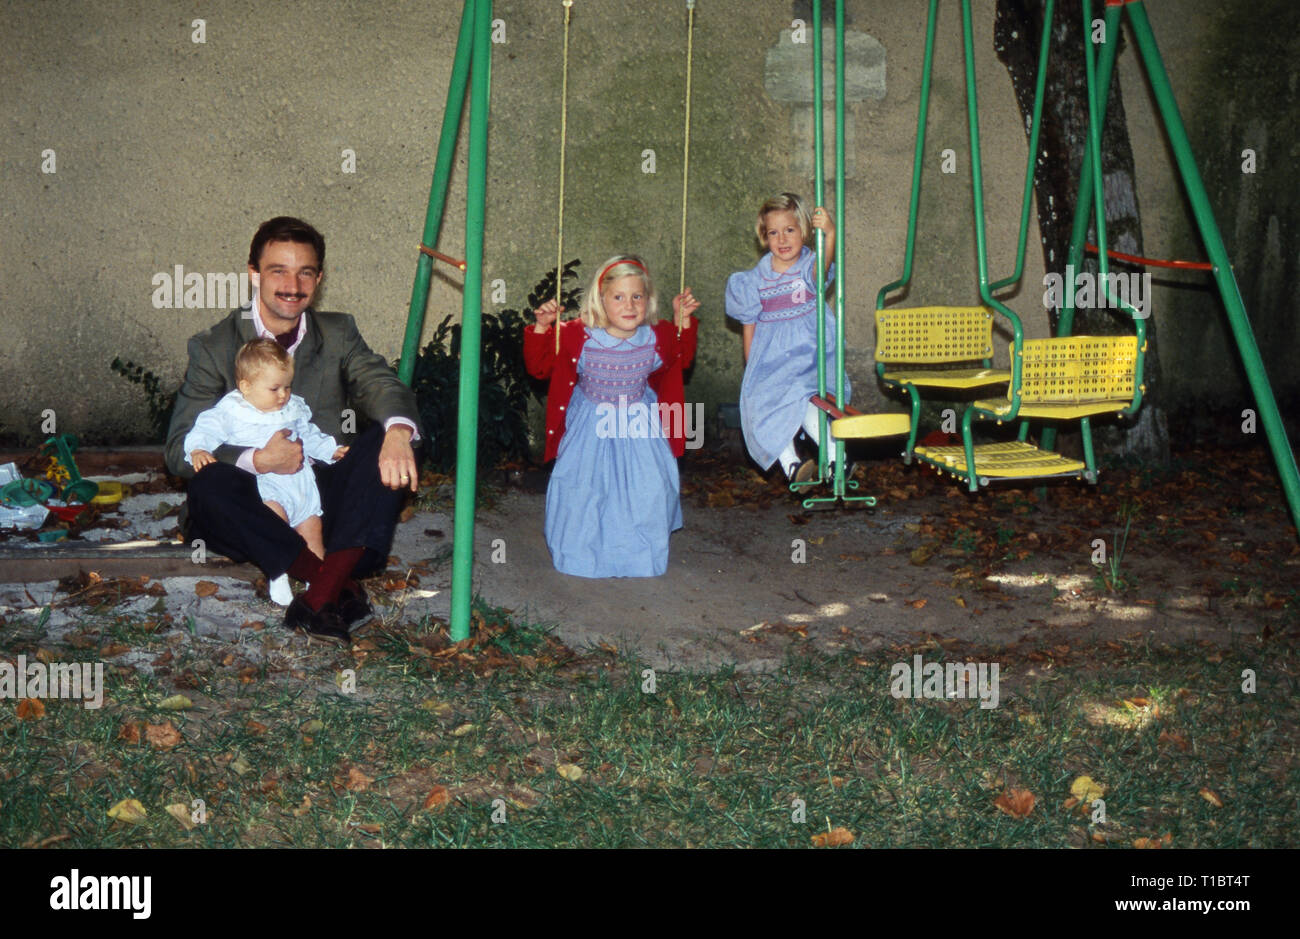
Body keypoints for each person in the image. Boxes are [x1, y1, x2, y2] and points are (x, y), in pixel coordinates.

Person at [165, 216, 423, 642]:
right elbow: (178, 449)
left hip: (315, 501)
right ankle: (336, 582)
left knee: (392, 437)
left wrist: (396, 433)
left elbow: (382, 384)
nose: (292, 284)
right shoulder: (214, 346)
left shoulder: (338, 333)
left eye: (305, 271)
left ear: (319, 279)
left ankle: (318, 596)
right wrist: (257, 459)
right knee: (209, 484)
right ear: (254, 274)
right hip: (252, 505)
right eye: (277, 270)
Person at [523, 255, 700, 577]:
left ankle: (638, 555)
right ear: (600, 299)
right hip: (592, 420)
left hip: (638, 420)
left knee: (647, 487)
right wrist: (542, 328)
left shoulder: (656, 335)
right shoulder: (579, 335)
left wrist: (682, 320)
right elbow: (539, 367)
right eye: (618, 296)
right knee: (585, 489)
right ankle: (582, 554)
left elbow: (681, 358)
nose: (629, 305)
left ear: (648, 300)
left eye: (637, 296)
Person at [183, 338, 349, 605]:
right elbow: (205, 429)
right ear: (246, 387)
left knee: (312, 529)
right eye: (274, 388)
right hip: (267, 485)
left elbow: (308, 434)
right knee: (276, 524)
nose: (283, 394)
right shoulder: (233, 410)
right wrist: (198, 449)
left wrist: (330, 449)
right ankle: (278, 573)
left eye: (287, 386)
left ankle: (318, 582)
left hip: (301, 484)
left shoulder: (292, 407)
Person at [724, 193, 844, 480]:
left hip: (808, 353)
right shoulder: (754, 280)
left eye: (789, 230)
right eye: (773, 232)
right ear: (764, 237)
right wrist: (752, 365)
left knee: (806, 398)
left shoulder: (808, 268)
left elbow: (824, 267)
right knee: (760, 403)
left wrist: (830, 234)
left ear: (803, 231)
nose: (782, 239)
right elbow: (749, 324)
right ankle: (792, 464)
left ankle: (834, 455)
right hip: (773, 358)